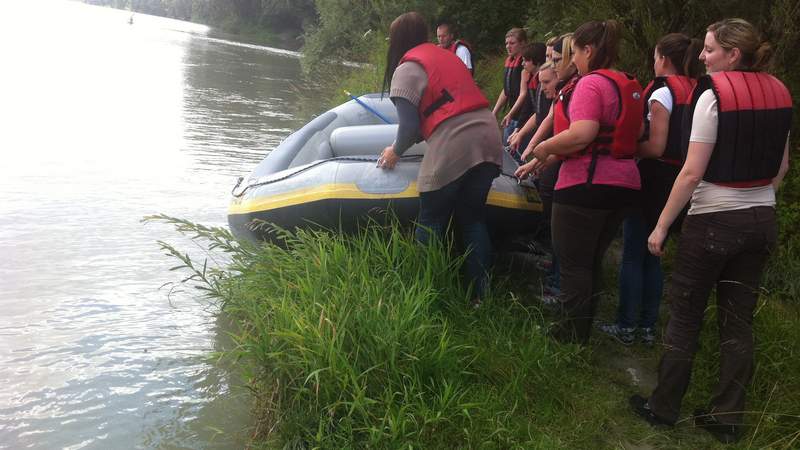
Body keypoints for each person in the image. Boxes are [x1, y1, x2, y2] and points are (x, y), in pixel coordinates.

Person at [630, 18, 791, 444]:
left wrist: (662, 225)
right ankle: (728, 416)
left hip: (713, 221)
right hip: (762, 220)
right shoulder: (780, 92)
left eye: (709, 49)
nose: (701, 57)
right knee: (738, 324)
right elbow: (782, 168)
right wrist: (756, 198)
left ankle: (663, 407)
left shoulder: (713, 95)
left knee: (684, 316)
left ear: (732, 55)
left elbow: (691, 173)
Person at [515, 20, 644, 343]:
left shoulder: (589, 84)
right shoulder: (624, 82)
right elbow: (631, 134)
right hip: (623, 185)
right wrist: (538, 160)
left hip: (585, 186)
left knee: (573, 265)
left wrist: (543, 147)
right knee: (591, 263)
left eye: (575, 52)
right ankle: (580, 329)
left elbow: (581, 135)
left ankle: (569, 336)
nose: (572, 60)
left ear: (588, 50)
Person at [378, 12, 503, 305]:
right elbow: (442, 106)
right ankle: (480, 298)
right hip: (487, 134)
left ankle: (423, 293)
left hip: (455, 143)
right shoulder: (446, 56)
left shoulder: (407, 68)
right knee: (473, 219)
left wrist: (394, 151)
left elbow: (408, 128)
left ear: (397, 40)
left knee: (431, 219)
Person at [601, 33, 703, 346]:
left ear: (663, 59)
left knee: (634, 253)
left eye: (656, 56)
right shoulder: (698, 90)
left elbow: (657, 146)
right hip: (681, 180)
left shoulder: (662, 92)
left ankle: (627, 326)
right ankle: (646, 327)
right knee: (654, 255)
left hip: (653, 179)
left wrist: (627, 150)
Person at [519, 33, 577, 303]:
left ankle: (558, 286)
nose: (542, 87)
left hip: (570, 170)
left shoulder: (575, 90)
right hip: (557, 161)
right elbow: (549, 119)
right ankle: (554, 276)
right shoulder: (565, 91)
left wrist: (537, 157)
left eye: (556, 60)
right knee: (556, 227)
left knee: (563, 233)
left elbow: (572, 139)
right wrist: (531, 149)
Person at [507, 42, 548, 163]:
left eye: (526, 60)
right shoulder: (532, 79)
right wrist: (518, 128)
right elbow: (528, 106)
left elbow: (542, 112)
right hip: (537, 122)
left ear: (536, 61)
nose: (522, 63)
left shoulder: (544, 81)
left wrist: (519, 130)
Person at [492, 28, 530, 145]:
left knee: (515, 153)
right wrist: (494, 112)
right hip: (513, 115)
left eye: (512, 43)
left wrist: (510, 114)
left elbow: (523, 93)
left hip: (523, 116)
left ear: (522, 43)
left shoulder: (526, 64)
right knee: (506, 148)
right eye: (506, 43)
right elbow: (507, 90)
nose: (508, 46)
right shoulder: (510, 61)